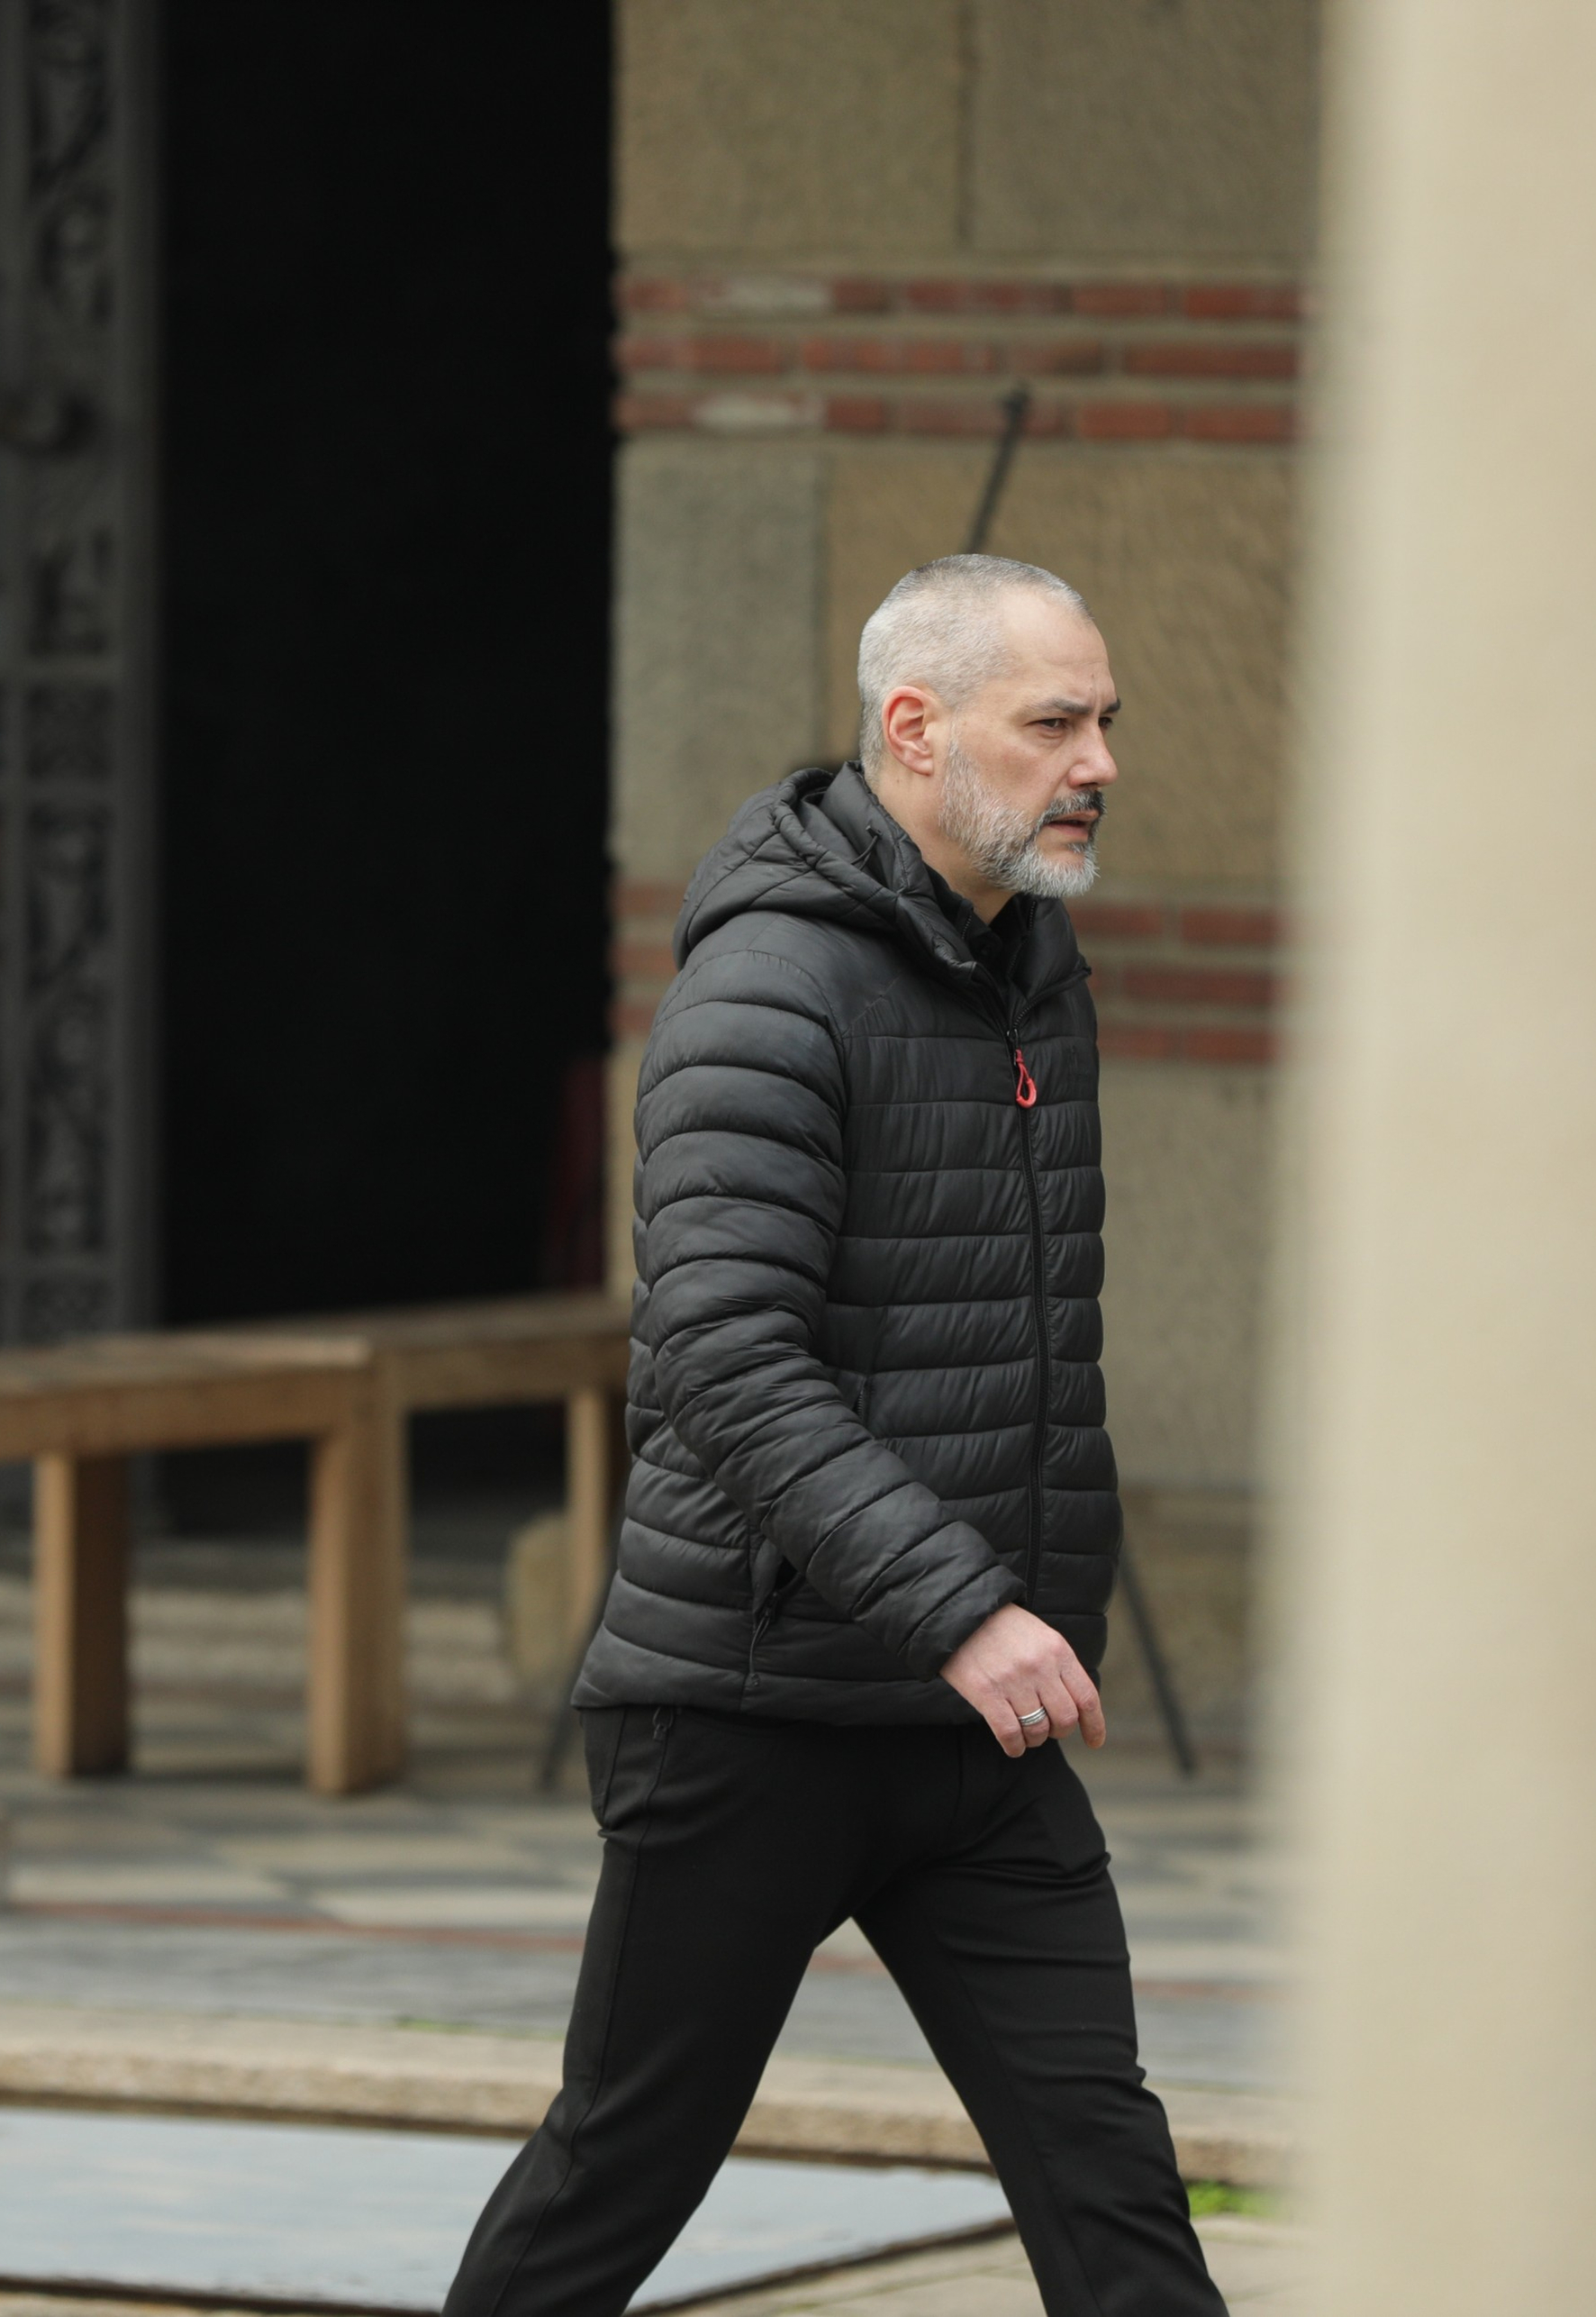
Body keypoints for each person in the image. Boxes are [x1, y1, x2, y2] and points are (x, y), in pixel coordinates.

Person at [443, 557, 1222, 2316]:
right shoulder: (771, 985)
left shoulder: (1031, 965)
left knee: (1110, 2180)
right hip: (751, 1707)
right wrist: (964, 1602)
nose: (1097, 757)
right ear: (915, 727)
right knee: (619, 2165)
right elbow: (722, 1354)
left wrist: (983, 1624)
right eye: (1055, 721)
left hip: (969, 1732)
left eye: (1107, 718)